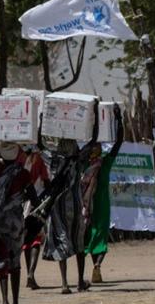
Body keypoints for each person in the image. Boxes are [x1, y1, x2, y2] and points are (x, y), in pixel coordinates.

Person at [38, 110, 101, 293]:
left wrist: (42, 120)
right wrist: (93, 119)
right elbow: (92, 141)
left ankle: (65, 283)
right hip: (74, 204)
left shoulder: (52, 159)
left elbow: (40, 144)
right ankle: (80, 281)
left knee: (60, 241)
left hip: (57, 206)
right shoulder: (77, 159)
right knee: (78, 241)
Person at [0, 139, 37, 304]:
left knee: (1, 259)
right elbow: (33, 199)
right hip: (15, 224)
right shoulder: (23, 174)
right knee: (15, 261)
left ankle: (4, 302)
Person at [82, 105, 125, 281]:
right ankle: (97, 265)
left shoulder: (83, 164)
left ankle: (92, 266)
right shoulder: (105, 163)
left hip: (84, 205)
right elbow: (119, 142)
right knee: (100, 235)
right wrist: (119, 119)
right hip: (101, 204)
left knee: (89, 235)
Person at [20, 145, 50, 289]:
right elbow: (46, 180)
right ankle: (31, 273)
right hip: (36, 201)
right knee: (36, 238)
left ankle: (29, 274)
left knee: (26, 239)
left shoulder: (19, 160)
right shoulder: (39, 161)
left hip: (21, 204)